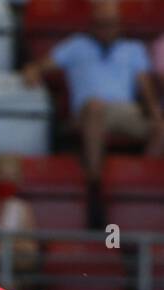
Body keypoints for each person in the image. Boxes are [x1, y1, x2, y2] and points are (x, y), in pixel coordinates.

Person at [23, 0, 164, 185]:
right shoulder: (76, 45)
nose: (106, 29)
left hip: (125, 112)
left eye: (110, 23)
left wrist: (155, 115)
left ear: (119, 24)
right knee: (95, 107)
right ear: (92, 24)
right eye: (101, 24)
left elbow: (145, 86)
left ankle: (141, 178)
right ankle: (94, 180)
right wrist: (32, 72)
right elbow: (39, 67)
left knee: (161, 126)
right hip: (86, 112)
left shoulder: (134, 48)